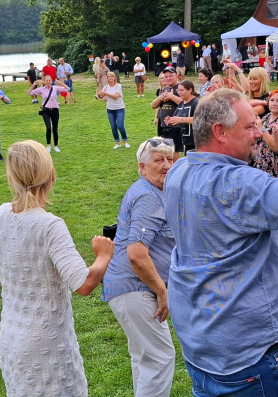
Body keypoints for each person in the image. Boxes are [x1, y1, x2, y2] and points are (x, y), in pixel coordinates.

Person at [165, 89, 278, 395]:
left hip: (204, 343)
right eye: (250, 126)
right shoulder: (234, 184)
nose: (259, 132)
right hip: (249, 357)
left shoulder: (180, 170)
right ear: (220, 132)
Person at [0, 140, 115, 397]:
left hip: (12, 335)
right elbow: (83, 284)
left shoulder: (2, 214)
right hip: (47, 342)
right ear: (51, 176)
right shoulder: (50, 225)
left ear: (11, 176)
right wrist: (103, 256)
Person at [101, 137, 177, 397]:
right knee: (159, 359)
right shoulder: (148, 196)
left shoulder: (152, 191)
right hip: (135, 288)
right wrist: (162, 290)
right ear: (142, 168)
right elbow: (136, 254)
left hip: (126, 287)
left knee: (145, 360)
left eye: (169, 159)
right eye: (159, 160)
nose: (166, 165)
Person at [249, 87, 278, 178]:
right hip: (260, 166)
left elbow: (277, 147)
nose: (274, 103)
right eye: (272, 100)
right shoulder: (266, 117)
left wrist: (261, 128)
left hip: (276, 170)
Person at [29, 75, 69, 152]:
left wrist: (61, 83)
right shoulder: (41, 89)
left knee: (55, 128)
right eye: (46, 80)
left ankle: (56, 146)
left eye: (49, 80)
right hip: (46, 111)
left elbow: (68, 89)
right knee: (48, 128)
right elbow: (30, 93)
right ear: (44, 81)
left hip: (55, 110)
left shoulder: (55, 88)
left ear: (51, 81)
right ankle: (48, 145)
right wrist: (33, 85)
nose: (48, 82)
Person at [163, 80, 199, 158]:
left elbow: (200, 119)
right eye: (178, 90)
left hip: (196, 141)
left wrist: (181, 119)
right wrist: (171, 121)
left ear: (190, 90)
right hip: (186, 140)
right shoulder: (182, 103)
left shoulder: (196, 102)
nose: (179, 92)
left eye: (182, 90)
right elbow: (178, 118)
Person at [151, 67, 181, 151]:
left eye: (170, 76)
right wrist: (160, 98)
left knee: (174, 152)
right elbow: (153, 105)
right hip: (164, 125)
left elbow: (185, 103)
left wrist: (171, 97)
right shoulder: (165, 89)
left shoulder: (180, 88)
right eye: (166, 76)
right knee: (166, 151)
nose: (168, 78)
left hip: (176, 126)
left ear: (176, 76)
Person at [98, 72, 129, 149]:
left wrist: (106, 94)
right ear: (107, 78)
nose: (110, 77)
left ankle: (125, 141)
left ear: (115, 78)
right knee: (113, 126)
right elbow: (101, 97)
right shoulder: (105, 87)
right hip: (110, 109)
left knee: (120, 126)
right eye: (109, 76)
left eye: (112, 76)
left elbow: (116, 96)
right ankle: (117, 142)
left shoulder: (118, 86)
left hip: (119, 108)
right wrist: (99, 95)